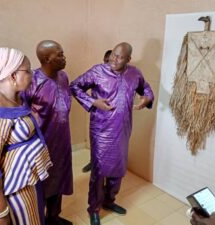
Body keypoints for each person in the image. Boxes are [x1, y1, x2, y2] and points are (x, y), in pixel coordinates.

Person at [70, 42, 154, 225]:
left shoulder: (134, 73)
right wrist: (94, 101)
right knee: (99, 173)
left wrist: (146, 97)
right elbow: (74, 86)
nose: (114, 59)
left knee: (118, 170)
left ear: (128, 59)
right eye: (113, 55)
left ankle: (109, 201)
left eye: (120, 57)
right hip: (101, 131)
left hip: (123, 130)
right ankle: (94, 209)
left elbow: (145, 88)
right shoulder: (97, 71)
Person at [0, 47, 52, 225]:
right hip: (15, 191)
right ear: (13, 76)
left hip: (29, 181)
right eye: (28, 70)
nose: (32, 74)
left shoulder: (18, 100)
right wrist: (1, 213)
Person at [23, 40, 73, 225]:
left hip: (63, 140)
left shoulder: (64, 77)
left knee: (59, 178)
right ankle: (39, 219)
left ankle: (54, 216)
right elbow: (22, 114)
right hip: (41, 143)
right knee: (42, 184)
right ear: (46, 58)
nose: (64, 57)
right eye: (59, 54)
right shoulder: (32, 81)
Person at [82, 49, 112, 173]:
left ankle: (108, 168)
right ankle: (93, 162)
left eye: (111, 61)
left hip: (113, 118)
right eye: (106, 60)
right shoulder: (97, 73)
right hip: (98, 116)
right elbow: (79, 88)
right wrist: (92, 101)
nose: (108, 63)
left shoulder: (120, 76)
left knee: (111, 146)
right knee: (96, 143)